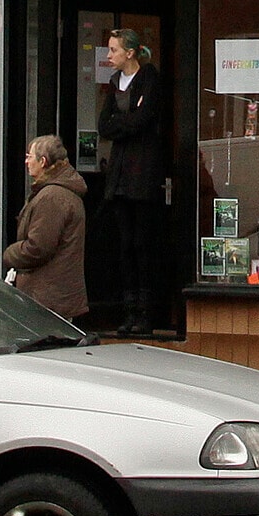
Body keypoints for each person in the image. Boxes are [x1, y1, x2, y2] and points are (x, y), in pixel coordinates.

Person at [98, 28, 165, 335]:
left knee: (143, 244)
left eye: (113, 50)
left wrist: (121, 123)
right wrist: (126, 123)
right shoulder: (114, 84)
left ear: (130, 52)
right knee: (124, 246)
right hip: (119, 177)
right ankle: (128, 311)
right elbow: (104, 126)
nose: (108, 55)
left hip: (143, 175)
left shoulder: (149, 79)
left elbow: (143, 119)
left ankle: (147, 313)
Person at [2, 134, 88, 321]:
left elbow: (38, 248)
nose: (25, 161)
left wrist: (10, 254)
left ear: (43, 161)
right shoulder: (56, 192)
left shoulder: (52, 197)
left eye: (29, 156)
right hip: (53, 295)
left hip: (48, 300)